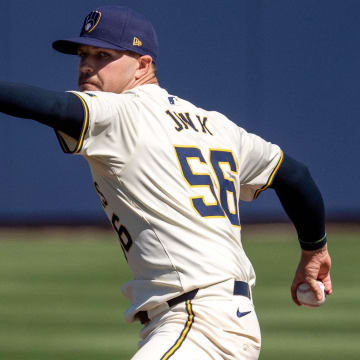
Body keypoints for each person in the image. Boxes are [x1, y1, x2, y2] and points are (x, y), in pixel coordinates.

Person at [0, 5, 332, 360]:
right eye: (83, 54)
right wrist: (315, 250)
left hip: (198, 322)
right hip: (214, 320)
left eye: (103, 55)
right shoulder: (218, 126)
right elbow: (295, 176)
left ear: (142, 65)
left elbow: (50, 106)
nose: (87, 65)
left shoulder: (122, 113)